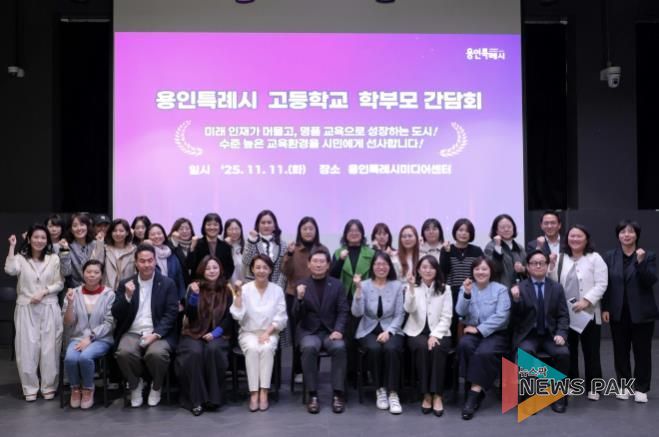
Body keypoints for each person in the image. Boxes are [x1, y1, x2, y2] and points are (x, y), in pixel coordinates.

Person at [112, 244, 179, 408]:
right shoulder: (126, 283)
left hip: (158, 332)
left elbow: (171, 314)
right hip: (133, 331)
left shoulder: (167, 283)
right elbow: (116, 313)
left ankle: (156, 386)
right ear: (136, 263)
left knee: (157, 354)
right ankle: (135, 385)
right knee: (123, 352)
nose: (147, 264)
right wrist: (127, 297)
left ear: (155, 261)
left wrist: (155, 334)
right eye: (142, 261)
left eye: (150, 260)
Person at [548, 224, 607, 401]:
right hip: (567, 314)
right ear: (567, 239)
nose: (575, 239)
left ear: (586, 239)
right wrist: (551, 266)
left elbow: (602, 283)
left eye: (579, 236)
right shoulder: (560, 258)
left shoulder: (595, 258)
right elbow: (553, 282)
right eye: (572, 236)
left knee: (591, 351)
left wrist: (586, 301)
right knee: (569, 350)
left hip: (589, 313)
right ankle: (573, 383)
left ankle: (594, 387)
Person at [5, 226, 64, 401]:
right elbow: (10, 270)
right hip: (26, 307)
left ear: (47, 240)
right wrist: (12, 246)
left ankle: (49, 385)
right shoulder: (20, 258)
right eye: (36, 237)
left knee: (50, 348)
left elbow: (59, 283)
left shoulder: (53, 258)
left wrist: (44, 291)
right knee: (26, 348)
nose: (39, 240)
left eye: (43, 237)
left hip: (49, 306)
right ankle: (29, 387)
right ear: (29, 239)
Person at [602, 220, 658, 403]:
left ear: (637, 235)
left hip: (642, 312)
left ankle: (641, 388)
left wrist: (640, 263)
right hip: (618, 311)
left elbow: (650, 281)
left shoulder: (648, 255)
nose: (626, 235)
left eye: (631, 231)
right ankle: (624, 385)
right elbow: (605, 284)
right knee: (620, 351)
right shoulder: (610, 256)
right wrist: (605, 307)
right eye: (623, 232)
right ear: (618, 235)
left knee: (642, 352)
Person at [510, 250, 570, 413]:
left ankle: (557, 395)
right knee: (526, 352)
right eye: (534, 263)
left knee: (563, 353)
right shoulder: (520, 288)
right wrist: (516, 300)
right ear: (528, 267)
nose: (538, 266)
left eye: (541, 263)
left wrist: (561, 334)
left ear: (547, 265)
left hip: (551, 335)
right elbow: (514, 318)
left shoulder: (556, 288)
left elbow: (563, 315)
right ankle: (529, 395)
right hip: (528, 335)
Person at [175, 256, 234, 416]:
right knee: (194, 353)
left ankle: (214, 398)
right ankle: (196, 401)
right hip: (193, 332)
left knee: (213, 350)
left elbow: (230, 317)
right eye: (208, 268)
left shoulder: (227, 289)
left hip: (218, 334)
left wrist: (216, 333)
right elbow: (189, 315)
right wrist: (194, 296)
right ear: (202, 270)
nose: (212, 271)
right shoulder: (194, 287)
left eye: (215, 267)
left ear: (220, 269)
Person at [294, 247, 349, 414]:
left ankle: (338, 394)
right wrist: (300, 299)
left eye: (322, 262)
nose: (318, 265)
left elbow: (343, 310)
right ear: (309, 264)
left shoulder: (337, 285)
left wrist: (338, 330)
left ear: (328, 265)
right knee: (309, 347)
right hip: (310, 331)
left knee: (339, 347)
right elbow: (295, 315)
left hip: (331, 331)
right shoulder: (301, 285)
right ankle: (312, 394)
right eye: (315, 261)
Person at [231, 255, 287, 412]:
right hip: (248, 332)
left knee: (267, 348)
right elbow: (237, 315)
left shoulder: (277, 290)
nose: (261, 271)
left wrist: (267, 333)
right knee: (253, 348)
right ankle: (253, 393)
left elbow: (281, 317)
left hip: (270, 332)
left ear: (270, 270)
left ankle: (264, 392)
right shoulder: (245, 289)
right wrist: (238, 295)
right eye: (258, 267)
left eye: (265, 267)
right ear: (252, 269)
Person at [456, 257, 511, 420]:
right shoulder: (466, 287)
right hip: (472, 332)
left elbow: (502, 316)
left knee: (483, 353)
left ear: (491, 271)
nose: (481, 272)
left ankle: (472, 396)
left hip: (495, 333)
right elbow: (459, 312)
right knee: (464, 345)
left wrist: (479, 330)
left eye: (484, 269)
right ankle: (476, 391)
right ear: (472, 271)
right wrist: (466, 294)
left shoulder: (500, 289)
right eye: (477, 269)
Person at [352, 251, 405, 414]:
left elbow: (400, 314)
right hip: (368, 328)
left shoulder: (397, 286)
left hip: (391, 328)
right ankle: (380, 389)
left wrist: (389, 332)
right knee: (374, 349)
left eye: (384, 264)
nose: (381, 267)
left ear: (390, 266)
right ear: (372, 267)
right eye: (377, 264)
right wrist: (358, 290)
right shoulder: (364, 285)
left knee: (391, 348)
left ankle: (393, 392)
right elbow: (357, 313)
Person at [403, 255, 453, 417]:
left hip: (440, 331)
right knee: (422, 348)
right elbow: (409, 309)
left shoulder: (445, 289)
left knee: (437, 349)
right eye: (424, 267)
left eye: (431, 267)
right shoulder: (412, 287)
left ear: (436, 270)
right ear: (418, 270)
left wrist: (435, 335)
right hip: (416, 331)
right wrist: (411, 289)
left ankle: (437, 395)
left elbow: (447, 316)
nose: (428, 270)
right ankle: (426, 394)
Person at [62, 259, 115, 409]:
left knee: (85, 357)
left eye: (96, 272)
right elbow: (68, 322)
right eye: (88, 272)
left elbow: (110, 323)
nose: (92, 275)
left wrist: (90, 338)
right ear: (83, 273)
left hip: (101, 338)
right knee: (71, 358)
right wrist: (70, 303)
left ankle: (88, 389)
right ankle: (75, 389)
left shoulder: (109, 294)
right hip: (78, 337)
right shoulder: (74, 293)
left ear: (101, 275)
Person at [281, 216, 327, 384]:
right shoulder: (293, 249)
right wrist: (289, 254)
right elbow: (285, 271)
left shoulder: (322, 249)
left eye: (311, 229)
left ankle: (314, 370)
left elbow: (327, 272)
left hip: (318, 297)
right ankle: (297, 371)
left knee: (316, 333)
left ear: (316, 231)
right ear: (300, 231)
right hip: (295, 296)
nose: (308, 232)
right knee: (297, 335)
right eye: (305, 229)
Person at [440, 218, 484, 344]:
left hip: (471, 292)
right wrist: (446, 252)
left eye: (467, 231)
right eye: (460, 230)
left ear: (471, 234)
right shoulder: (447, 249)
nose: (463, 233)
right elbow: (444, 270)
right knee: (453, 322)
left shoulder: (477, 250)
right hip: (451, 292)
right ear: (455, 232)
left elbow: (481, 270)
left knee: (469, 321)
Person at [242, 210, 287, 289]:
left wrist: (278, 287)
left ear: (274, 225)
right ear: (258, 225)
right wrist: (252, 241)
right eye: (263, 223)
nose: (266, 226)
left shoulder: (282, 244)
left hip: (276, 287)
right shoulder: (252, 241)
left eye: (269, 222)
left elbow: (283, 269)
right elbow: (246, 261)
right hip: (253, 287)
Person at [60, 212, 105, 288]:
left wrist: (100, 244)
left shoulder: (96, 243)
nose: (79, 228)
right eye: (75, 226)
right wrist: (64, 250)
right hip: (76, 288)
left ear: (87, 227)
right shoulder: (65, 245)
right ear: (71, 229)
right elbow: (66, 272)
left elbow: (99, 265)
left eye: (82, 225)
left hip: (96, 287)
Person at [186, 212, 235, 281]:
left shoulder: (225, 246)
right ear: (204, 227)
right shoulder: (197, 243)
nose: (212, 227)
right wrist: (192, 248)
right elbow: (189, 265)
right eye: (209, 225)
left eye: (215, 225)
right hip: (199, 283)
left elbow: (230, 267)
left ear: (220, 227)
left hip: (220, 284)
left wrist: (222, 280)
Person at [145, 223, 186, 303]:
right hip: (151, 299)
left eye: (159, 233)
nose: (157, 236)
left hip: (172, 298)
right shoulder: (145, 256)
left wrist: (180, 300)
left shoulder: (171, 254)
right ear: (147, 238)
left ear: (164, 235)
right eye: (152, 234)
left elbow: (179, 279)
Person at [484, 214, 526, 288]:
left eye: (509, 227)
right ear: (496, 230)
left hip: (519, 289)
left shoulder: (519, 247)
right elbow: (493, 269)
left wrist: (522, 269)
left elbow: (528, 268)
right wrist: (497, 247)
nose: (506, 229)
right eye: (502, 227)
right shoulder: (490, 247)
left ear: (513, 228)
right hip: (499, 289)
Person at [103, 218, 136, 291]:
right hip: (107, 291)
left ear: (127, 233)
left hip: (127, 290)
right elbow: (95, 265)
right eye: (114, 231)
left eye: (121, 231)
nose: (118, 233)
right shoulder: (104, 249)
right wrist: (99, 243)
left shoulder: (134, 250)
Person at [168, 217, 196, 286]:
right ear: (175, 231)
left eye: (187, 229)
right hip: (176, 284)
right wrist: (175, 243)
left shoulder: (195, 243)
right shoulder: (169, 244)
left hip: (193, 283)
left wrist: (192, 248)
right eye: (181, 229)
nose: (184, 231)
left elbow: (191, 265)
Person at [223, 218, 245, 283]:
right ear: (226, 231)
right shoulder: (221, 246)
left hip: (244, 284)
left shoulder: (246, 246)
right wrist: (226, 246)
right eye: (230, 229)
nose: (234, 232)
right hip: (227, 284)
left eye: (236, 229)